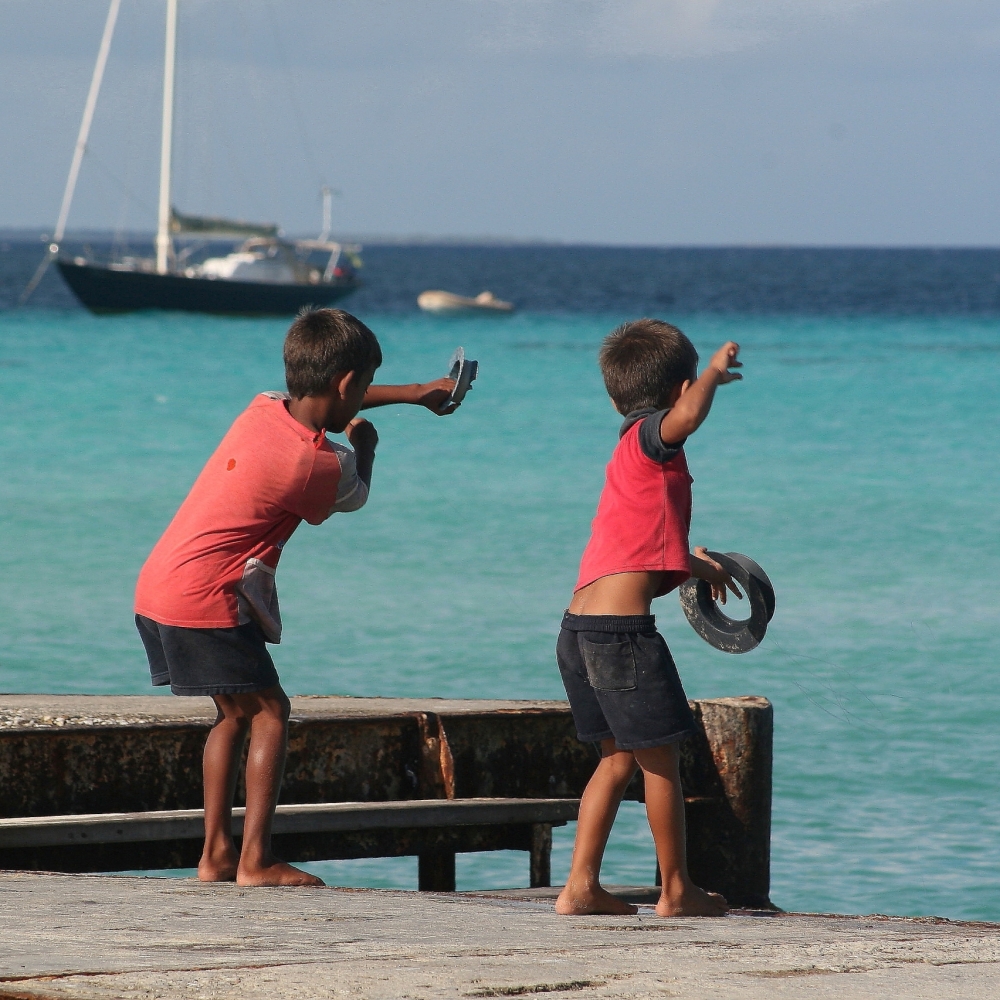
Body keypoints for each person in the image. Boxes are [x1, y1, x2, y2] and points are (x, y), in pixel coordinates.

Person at [134, 308, 456, 888]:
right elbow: (353, 497)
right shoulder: (314, 462)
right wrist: (366, 444)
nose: (360, 400)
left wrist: (414, 393)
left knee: (232, 716)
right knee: (269, 712)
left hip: (161, 585)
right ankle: (254, 861)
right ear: (346, 386)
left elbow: (325, 393)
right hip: (209, 593)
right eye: (361, 389)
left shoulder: (261, 407)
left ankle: (213, 857)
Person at [554, 319, 743, 917]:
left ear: (615, 395)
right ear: (680, 389)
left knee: (615, 759)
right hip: (620, 637)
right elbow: (683, 420)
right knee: (661, 759)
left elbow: (640, 548)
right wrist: (711, 378)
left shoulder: (626, 456)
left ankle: (580, 887)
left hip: (577, 628)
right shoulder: (653, 439)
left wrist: (699, 568)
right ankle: (676, 889)